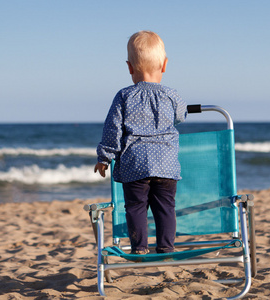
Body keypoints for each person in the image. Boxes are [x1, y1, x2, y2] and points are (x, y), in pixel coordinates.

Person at [94, 31, 187, 254]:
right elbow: (182, 116)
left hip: (135, 165)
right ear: (164, 65)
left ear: (129, 67)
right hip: (165, 165)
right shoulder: (171, 94)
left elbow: (112, 130)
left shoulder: (124, 96)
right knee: (165, 207)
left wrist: (104, 158)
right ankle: (166, 246)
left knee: (135, 207)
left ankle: (140, 247)